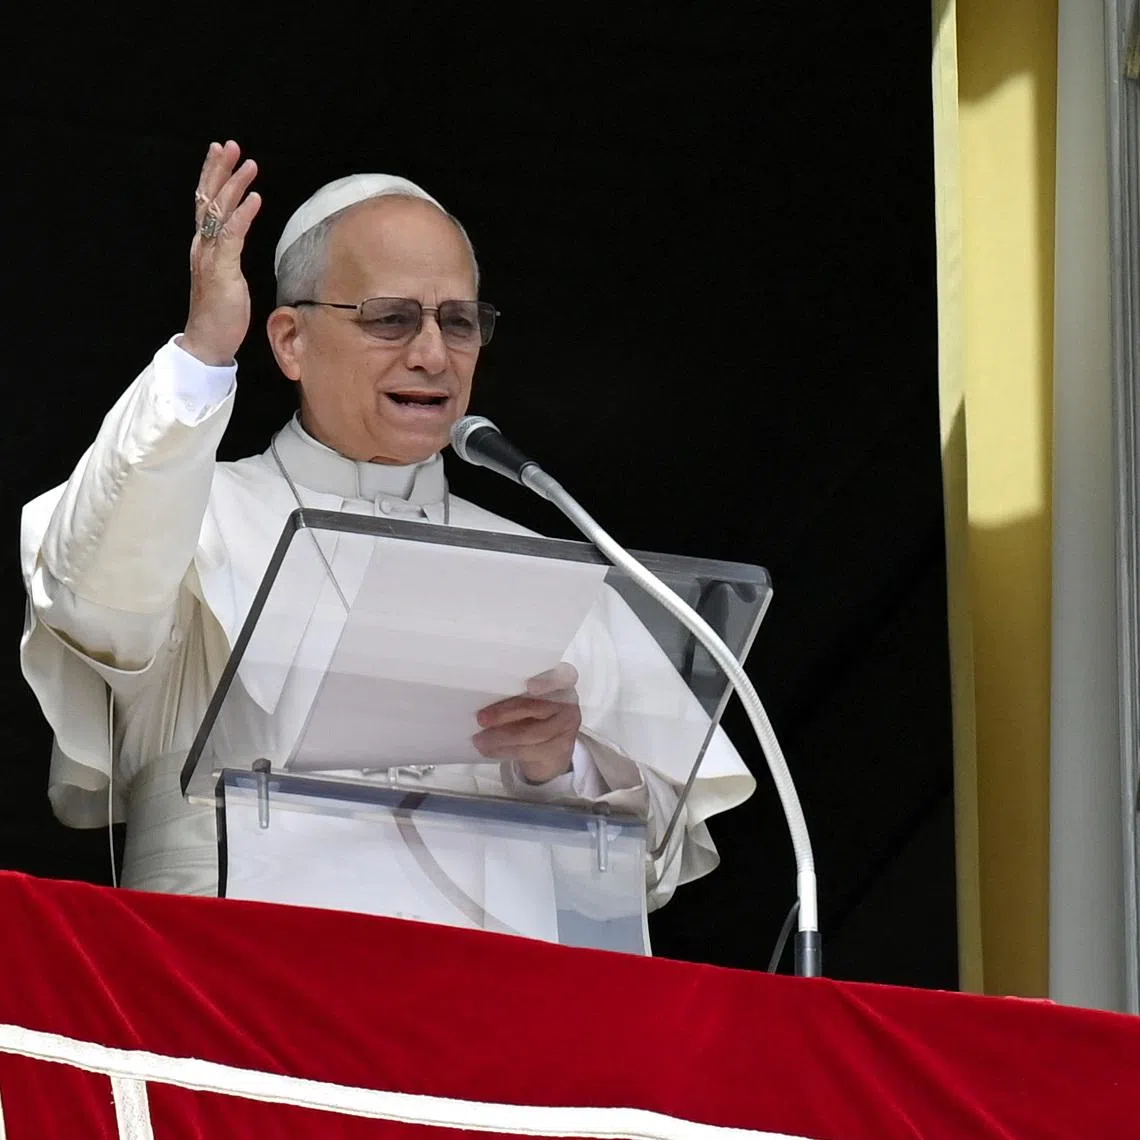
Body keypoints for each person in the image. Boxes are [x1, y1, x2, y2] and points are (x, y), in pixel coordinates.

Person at [19, 141, 756, 923]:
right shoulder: (196, 512)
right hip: (231, 995)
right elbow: (93, 596)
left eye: (460, 322)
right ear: (290, 341)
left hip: (479, 1013)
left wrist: (559, 764)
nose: (433, 354)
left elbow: (651, 869)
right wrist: (204, 352)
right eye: (391, 319)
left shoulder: (544, 563)